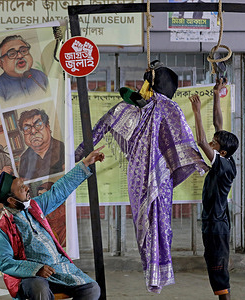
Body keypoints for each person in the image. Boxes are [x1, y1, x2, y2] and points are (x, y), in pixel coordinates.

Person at [74, 61, 208, 293]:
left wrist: (77, 152)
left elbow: (102, 125)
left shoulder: (128, 109)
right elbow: (185, 141)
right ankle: (158, 273)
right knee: (162, 221)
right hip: (162, 176)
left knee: (142, 222)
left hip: (136, 173)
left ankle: (152, 271)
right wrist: (199, 162)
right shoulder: (171, 108)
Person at [0, 146, 105, 300]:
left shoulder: (35, 206)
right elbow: (6, 263)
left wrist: (85, 163)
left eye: (23, 184)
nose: (26, 188)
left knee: (91, 289)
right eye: (21, 188)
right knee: (39, 290)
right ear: (11, 200)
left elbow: (59, 190)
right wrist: (36, 269)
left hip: (60, 269)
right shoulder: (1, 230)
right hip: (32, 277)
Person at [189, 77, 239, 300]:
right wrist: (216, 94)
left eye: (215, 143)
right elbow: (219, 125)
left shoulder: (223, 166)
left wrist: (196, 111)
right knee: (214, 269)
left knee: (218, 272)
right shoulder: (225, 160)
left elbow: (200, 141)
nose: (211, 143)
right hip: (213, 224)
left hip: (216, 227)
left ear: (223, 152)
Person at [0, 35, 49, 101]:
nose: (20, 56)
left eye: (23, 51)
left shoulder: (40, 75)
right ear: (1, 63)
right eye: (12, 54)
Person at [17, 109, 65, 180]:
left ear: (48, 127)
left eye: (38, 125)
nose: (33, 131)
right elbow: (25, 186)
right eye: (27, 128)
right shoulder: (24, 158)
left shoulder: (62, 147)